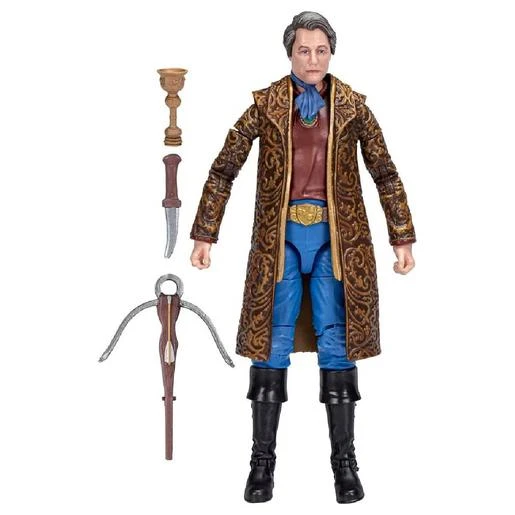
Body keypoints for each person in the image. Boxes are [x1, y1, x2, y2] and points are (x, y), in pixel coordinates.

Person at [190, 11, 416, 504]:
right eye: (303, 50)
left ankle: (344, 462)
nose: (313, 59)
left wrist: (401, 236)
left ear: (331, 53)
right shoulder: (266, 104)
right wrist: (206, 233)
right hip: (280, 242)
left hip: (338, 242)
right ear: (290, 53)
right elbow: (225, 167)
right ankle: (261, 462)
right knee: (272, 338)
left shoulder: (352, 106)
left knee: (337, 338)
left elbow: (384, 171)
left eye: (321, 50)